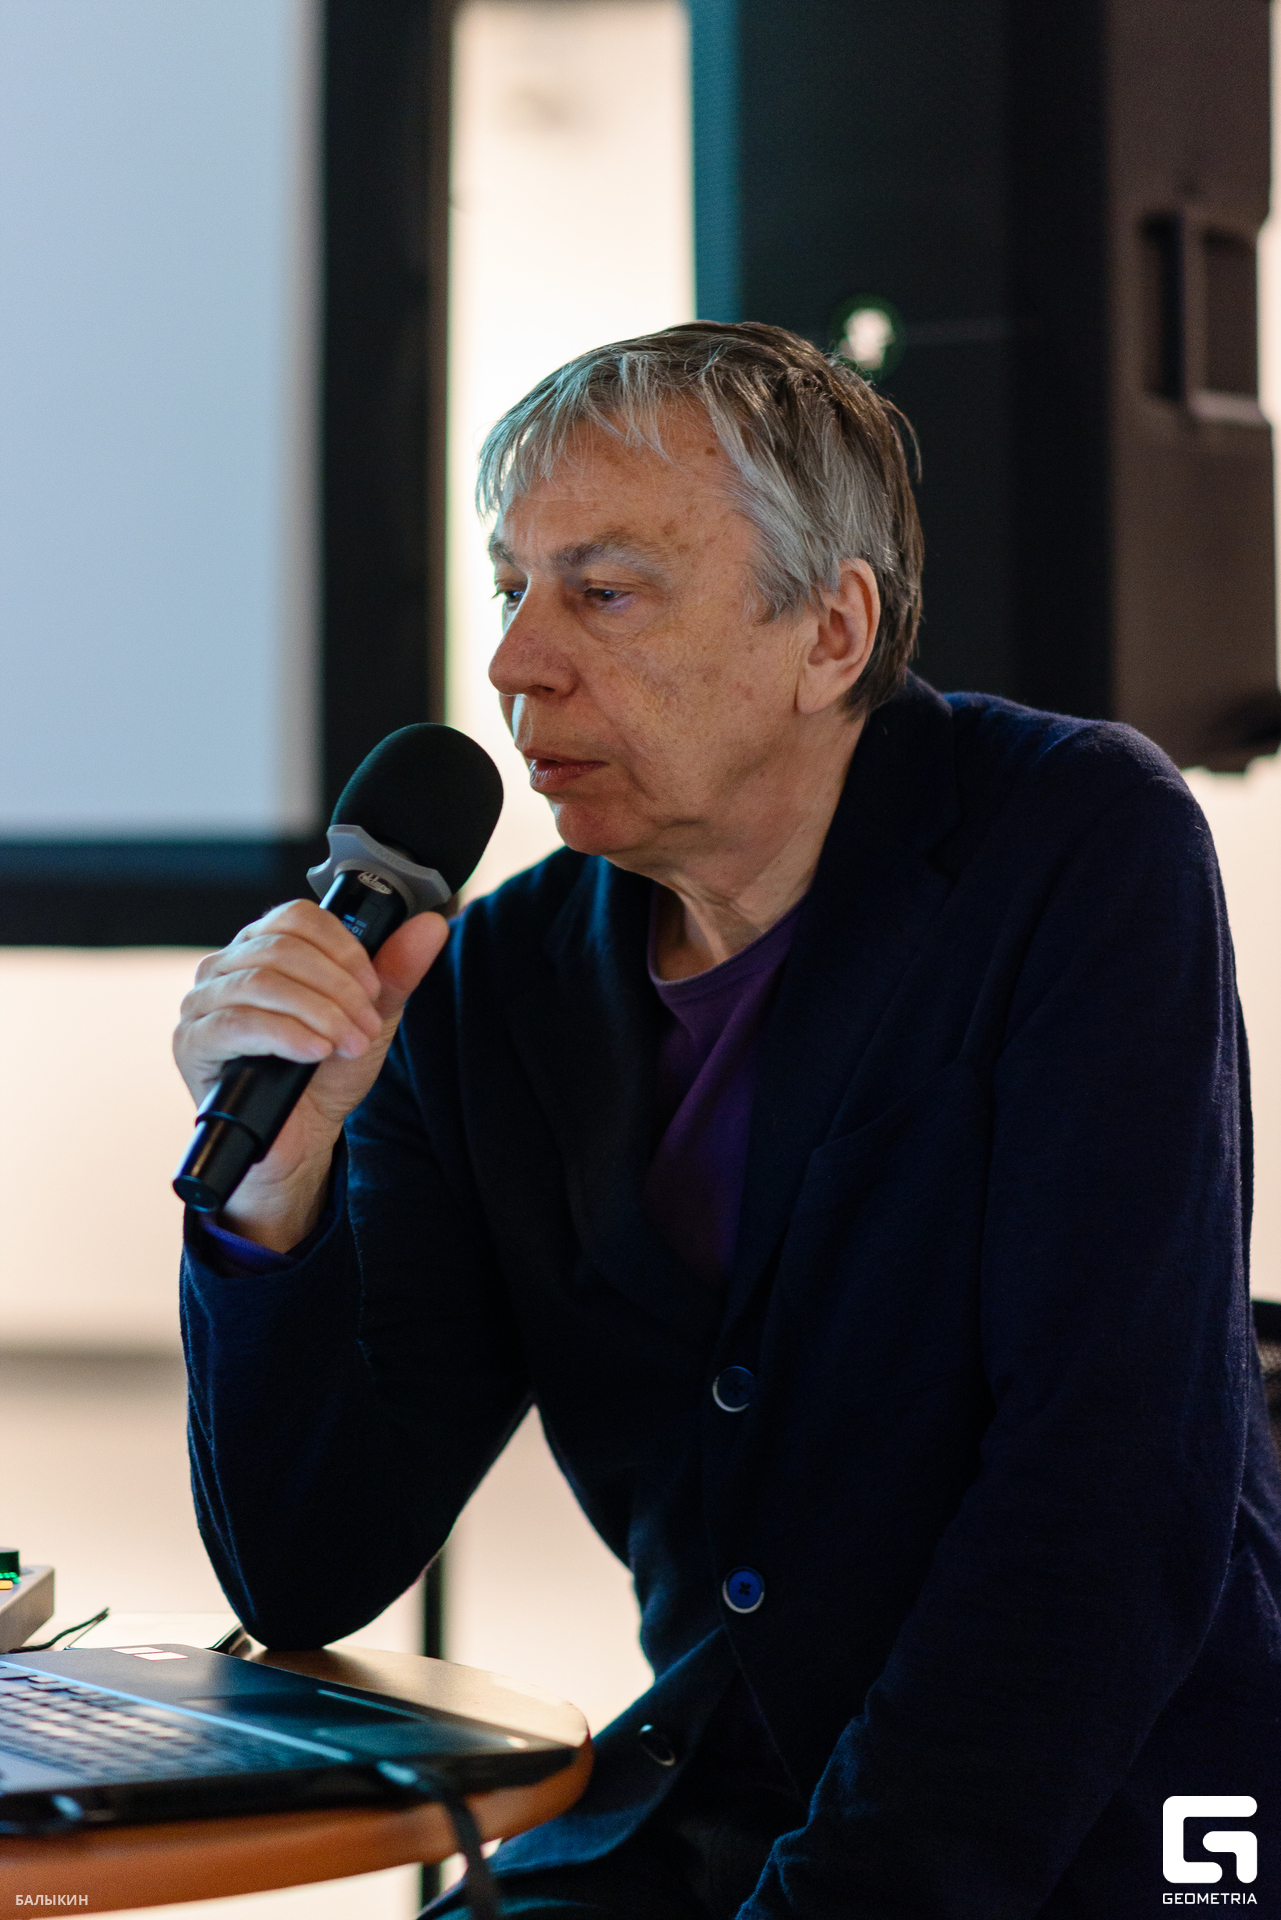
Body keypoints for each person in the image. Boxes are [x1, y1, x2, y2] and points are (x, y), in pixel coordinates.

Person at [174, 322, 1281, 1917]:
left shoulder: (1070, 842)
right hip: (707, 1806)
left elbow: (1103, 1500)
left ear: (829, 632)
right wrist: (270, 1199)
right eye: (511, 588)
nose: (513, 663)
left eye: (604, 593)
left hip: (1102, 1827)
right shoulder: (487, 984)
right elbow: (308, 1567)